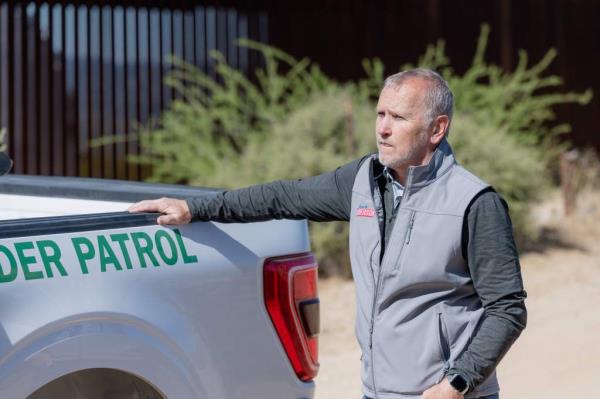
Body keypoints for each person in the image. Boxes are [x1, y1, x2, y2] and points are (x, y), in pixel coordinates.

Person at [129, 68, 527, 399]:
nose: (383, 129)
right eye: (380, 114)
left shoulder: (474, 203)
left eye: (399, 118)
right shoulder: (363, 182)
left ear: (437, 128)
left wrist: (457, 383)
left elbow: (507, 309)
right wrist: (196, 208)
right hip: (378, 390)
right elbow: (284, 196)